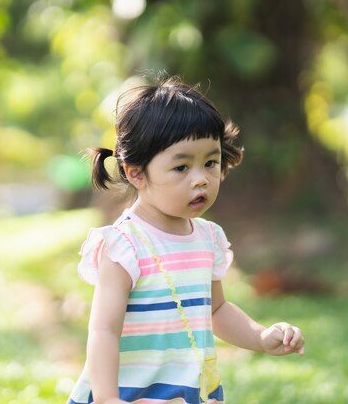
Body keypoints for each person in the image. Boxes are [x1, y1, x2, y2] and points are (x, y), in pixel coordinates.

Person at [66, 76, 305, 404]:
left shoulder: (208, 238)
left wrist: (261, 337)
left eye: (210, 162)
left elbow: (216, 309)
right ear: (136, 172)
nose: (201, 180)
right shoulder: (124, 246)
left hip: (186, 392)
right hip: (129, 393)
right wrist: (108, 399)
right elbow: (104, 330)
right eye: (181, 167)